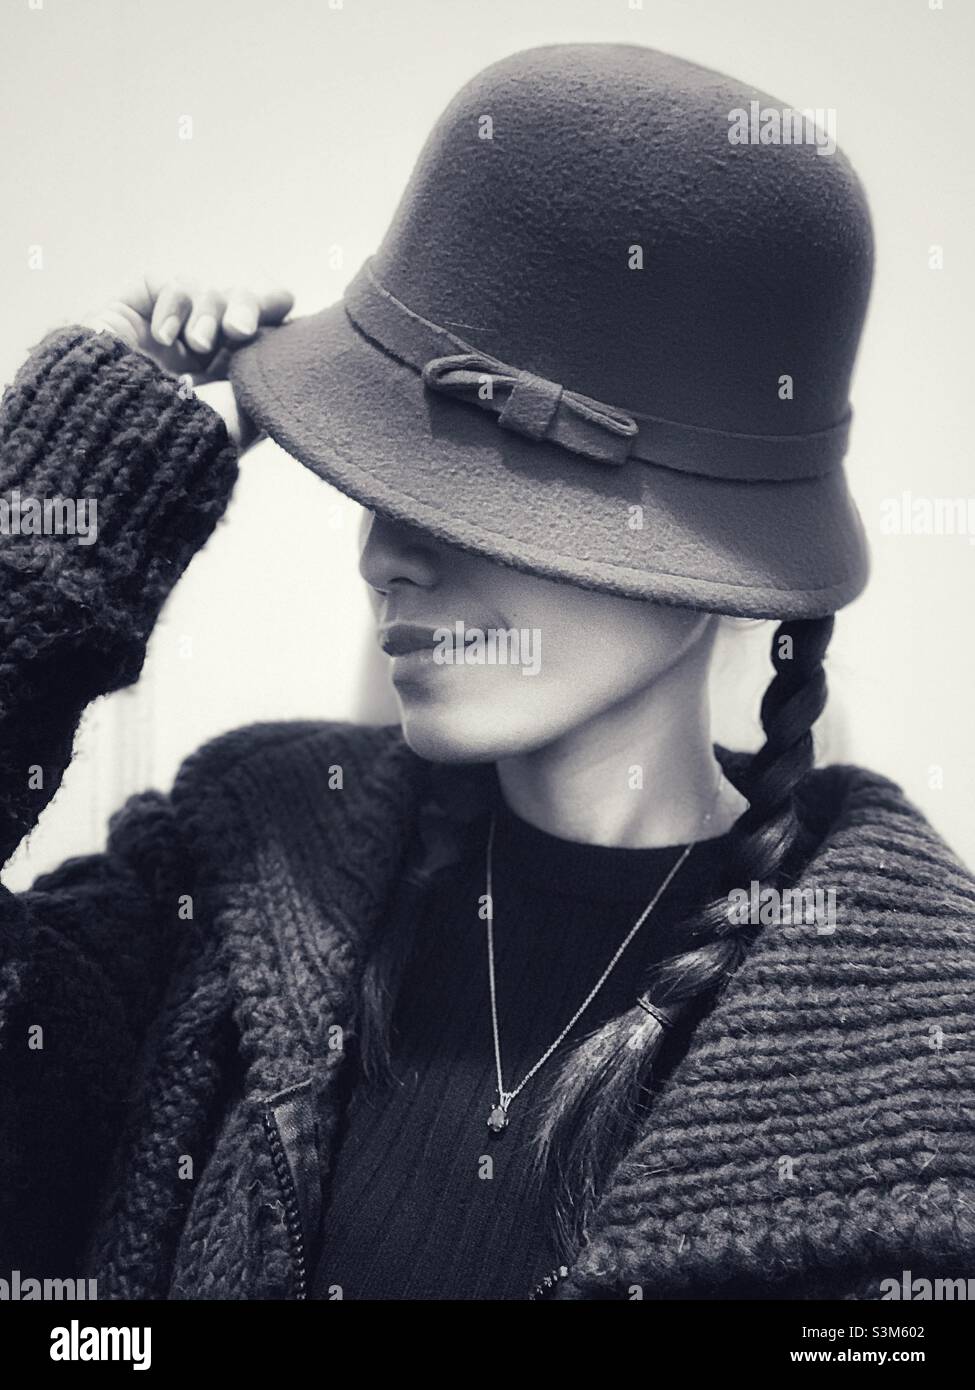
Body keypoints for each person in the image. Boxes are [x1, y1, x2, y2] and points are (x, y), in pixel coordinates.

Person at [1, 42, 973, 1303]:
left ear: (721, 569)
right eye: (385, 480)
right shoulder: (239, 864)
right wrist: (67, 516)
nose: (383, 556)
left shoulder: (917, 1058)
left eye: (488, 500)